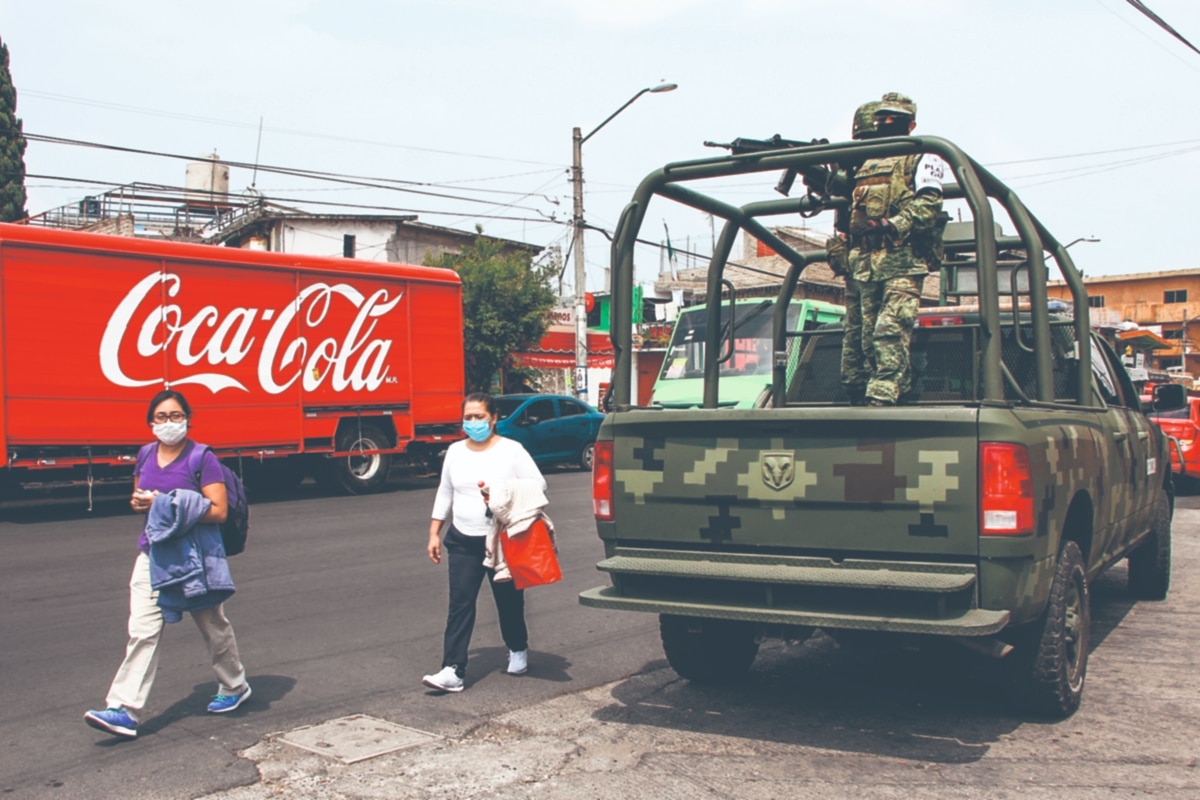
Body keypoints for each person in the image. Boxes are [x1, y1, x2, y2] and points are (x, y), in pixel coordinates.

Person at [83, 389, 251, 739]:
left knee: (212, 625)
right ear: (150, 423)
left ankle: (234, 685)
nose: (169, 423)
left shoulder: (202, 458)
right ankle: (124, 710)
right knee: (142, 631)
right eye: (161, 417)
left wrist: (167, 503)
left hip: (195, 559)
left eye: (176, 416)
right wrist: (141, 502)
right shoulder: (145, 454)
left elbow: (218, 510)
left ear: (188, 419)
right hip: (153, 554)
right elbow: (140, 499)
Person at [422, 392, 546, 693]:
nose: (473, 423)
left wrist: (501, 490)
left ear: (493, 419)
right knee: (460, 604)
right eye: (468, 417)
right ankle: (452, 669)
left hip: (502, 541)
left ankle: (517, 648)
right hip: (463, 540)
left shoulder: (511, 450)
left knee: (509, 602)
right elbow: (445, 491)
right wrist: (434, 532)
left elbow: (538, 484)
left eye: (479, 417)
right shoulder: (454, 451)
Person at [844, 91, 949, 406]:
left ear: (911, 124)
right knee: (865, 337)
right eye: (882, 117)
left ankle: (883, 395)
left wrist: (889, 226)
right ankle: (886, 390)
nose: (886, 122)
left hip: (903, 260)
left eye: (896, 119)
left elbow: (929, 204)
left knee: (890, 330)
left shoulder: (924, 156)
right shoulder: (865, 162)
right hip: (867, 263)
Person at [827, 99, 882, 405]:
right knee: (857, 342)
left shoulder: (905, 163)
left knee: (880, 337)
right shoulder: (848, 164)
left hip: (882, 263)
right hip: (857, 264)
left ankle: (879, 394)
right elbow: (842, 227)